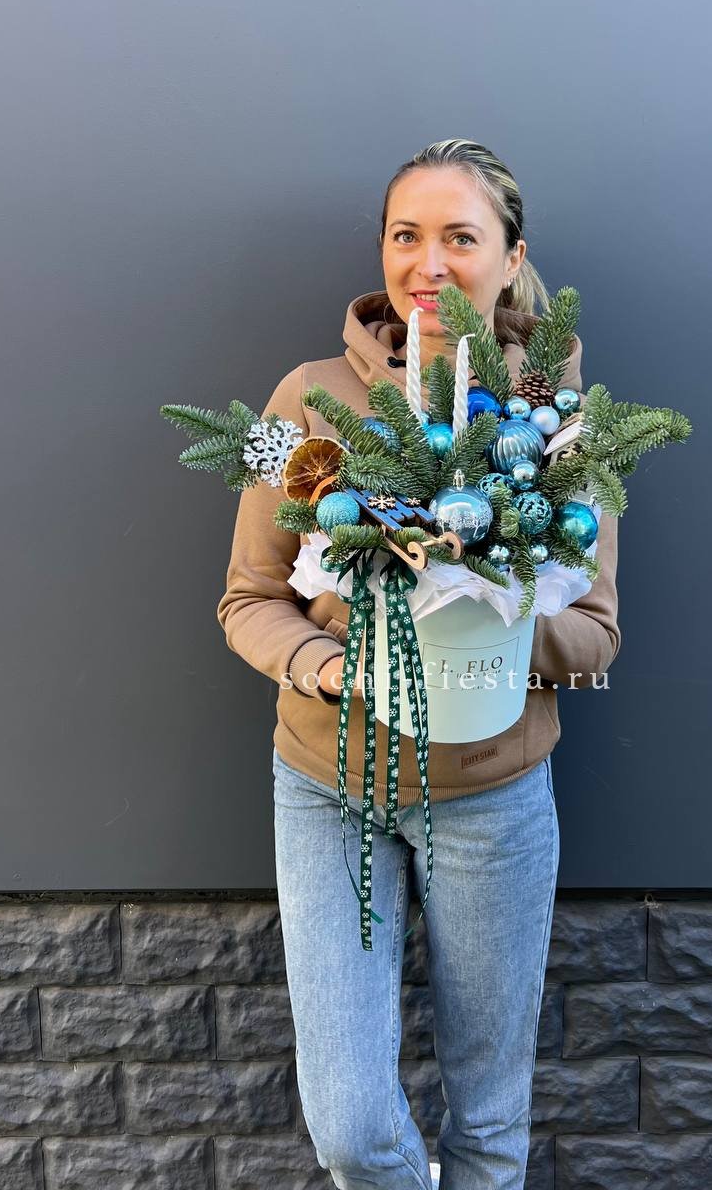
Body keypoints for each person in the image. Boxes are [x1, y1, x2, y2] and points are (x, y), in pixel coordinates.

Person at [218, 139, 622, 1189]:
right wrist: (332, 665)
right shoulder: (302, 400)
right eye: (406, 235)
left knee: (488, 1121)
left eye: (459, 236)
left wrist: (489, 615)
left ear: (509, 256)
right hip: (327, 790)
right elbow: (246, 600)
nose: (427, 262)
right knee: (351, 1128)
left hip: (492, 795)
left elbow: (597, 633)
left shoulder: (561, 430)